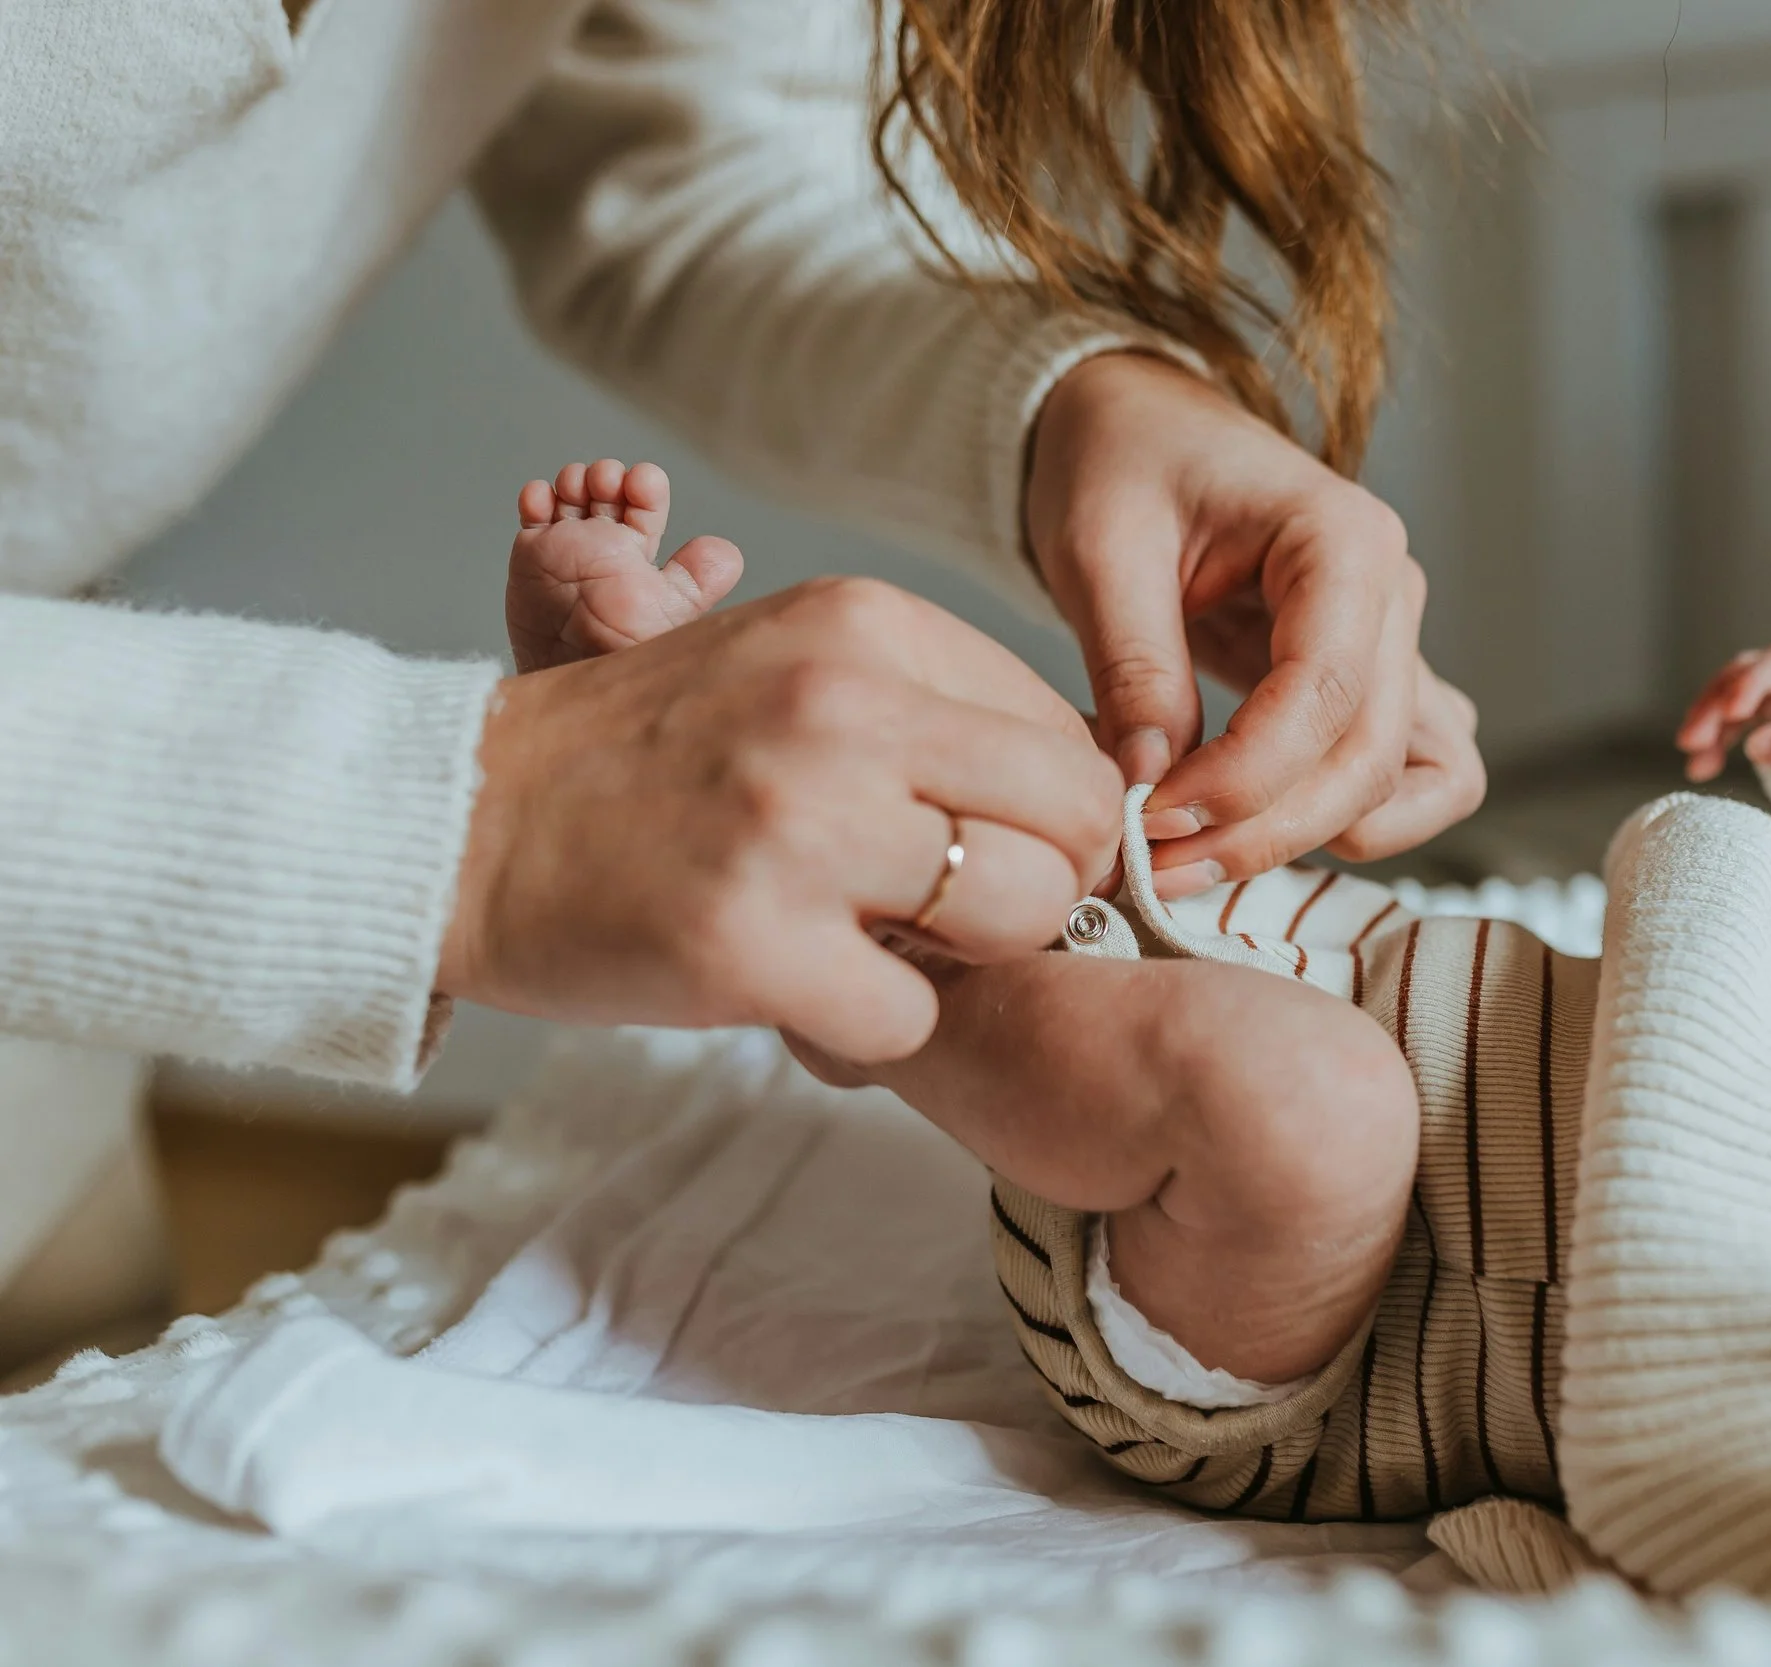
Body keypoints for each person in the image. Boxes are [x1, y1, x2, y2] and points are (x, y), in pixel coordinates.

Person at [516, 475, 1771, 1623]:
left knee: (1277, 1097)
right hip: (1447, 980)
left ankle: (846, 978)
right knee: (1060, 769)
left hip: (1368, 1321)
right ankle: (655, 698)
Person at [0, 0, 1478, 1362]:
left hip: (44, 1041)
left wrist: (1072, 399)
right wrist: (472, 826)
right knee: (1272, 1096)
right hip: (79, 860)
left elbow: (684, 163)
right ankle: (892, 974)